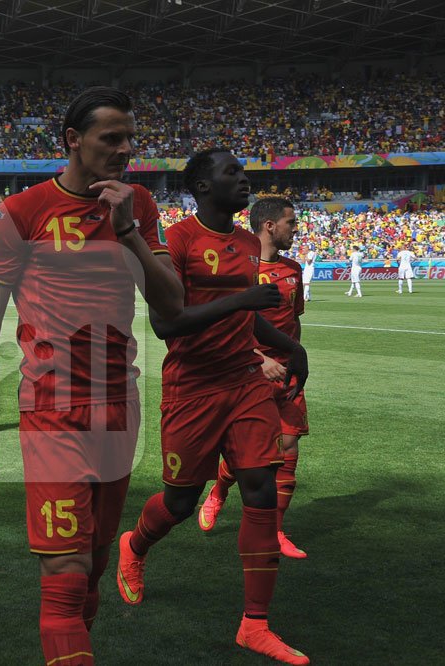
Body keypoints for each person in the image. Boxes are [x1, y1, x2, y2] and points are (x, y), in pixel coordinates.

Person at [0, 87, 184, 666]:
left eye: (130, 138)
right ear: (73, 141)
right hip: (52, 408)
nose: (125, 149)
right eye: (111, 138)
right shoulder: (23, 211)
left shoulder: (138, 205)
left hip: (120, 406)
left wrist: (128, 229)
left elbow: (172, 304)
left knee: (95, 566)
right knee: (64, 571)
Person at [115, 149, 310, 665]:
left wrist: (291, 348)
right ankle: (134, 546)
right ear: (202, 186)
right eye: (232, 173)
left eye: (243, 172)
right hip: (193, 387)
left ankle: (254, 625)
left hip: (245, 382)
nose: (244, 180)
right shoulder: (175, 242)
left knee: (260, 487)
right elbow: (167, 324)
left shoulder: (247, 242)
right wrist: (243, 302)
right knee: (180, 503)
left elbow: (248, 317)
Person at [198, 197, 309, 559]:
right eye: (291, 223)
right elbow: (227, 322)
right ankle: (219, 491)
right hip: (248, 369)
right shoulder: (240, 269)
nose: (296, 229)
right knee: (250, 452)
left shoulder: (293, 269)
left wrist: (295, 359)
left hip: (287, 372)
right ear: (270, 226)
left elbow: (293, 322)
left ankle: (276, 531)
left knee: (289, 446)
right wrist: (259, 359)